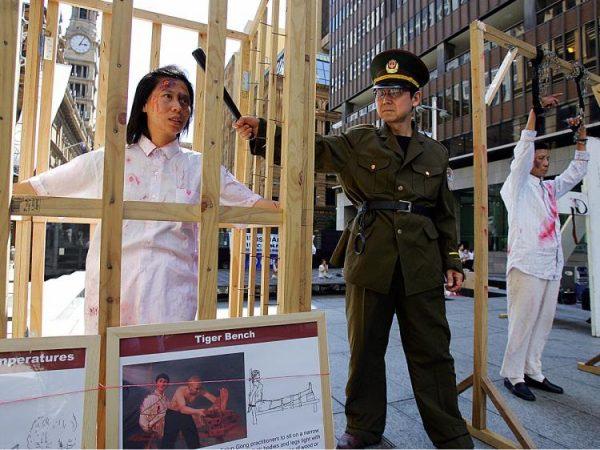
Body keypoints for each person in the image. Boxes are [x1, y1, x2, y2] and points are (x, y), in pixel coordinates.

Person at [234, 49, 472, 449]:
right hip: (371, 256)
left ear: (415, 100)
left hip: (421, 261)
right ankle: (363, 429)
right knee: (364, 351)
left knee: (433, 354)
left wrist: (452, 261)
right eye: (380, 91)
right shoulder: (359, 140)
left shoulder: (435, 152)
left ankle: (450, 435)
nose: (385, 98)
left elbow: (445, 213)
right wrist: (265, 132)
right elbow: (314, 149)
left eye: (396, 91)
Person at [13, 65, 278, 333]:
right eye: (168, 97)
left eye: (185, 101)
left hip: (172, 302)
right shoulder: (111, 160)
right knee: (107, 372)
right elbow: (38, 189)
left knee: (167, 372)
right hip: (112, 299)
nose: (178, 107)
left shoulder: (202, 168)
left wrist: (270, 139)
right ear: (144, 105)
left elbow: (257, 207)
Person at [500, 94, 591, 401]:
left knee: (543, 322)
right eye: (538, 160)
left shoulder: (550, 187)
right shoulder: (517, 185)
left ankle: (533, 370)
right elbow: (524, 151)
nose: (542, 164)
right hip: (526, 264)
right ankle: (513, 375)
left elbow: (576, 172)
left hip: (551, 265)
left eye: (546, 160)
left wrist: (581, 137)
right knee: (522, 321)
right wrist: (534, 115)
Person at [161, 375, 228, 448]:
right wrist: (198, 411)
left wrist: (223, 400)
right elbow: (182, 409)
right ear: (189, 386)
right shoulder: (181, 390)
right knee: (168, 441)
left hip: (185, 414)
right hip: (173, 414)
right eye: (196, 389)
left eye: (199, 388)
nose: (198, 391)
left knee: (193, 439)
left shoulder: (199, 390)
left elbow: (215, 401)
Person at [139, 373, 171, 438]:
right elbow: (143, 418)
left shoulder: (167, 401)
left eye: (165, 382)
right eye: (160, 381)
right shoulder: (150, 398)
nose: (162, 384)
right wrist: (149, 430)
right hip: (152, 433)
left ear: (167, 385)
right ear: (156, 383)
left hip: (165, 433)